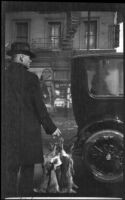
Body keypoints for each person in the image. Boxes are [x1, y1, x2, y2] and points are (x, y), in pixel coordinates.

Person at [2, 42, 61, 198]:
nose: (31, 61)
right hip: (28, 133)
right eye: (29, 57)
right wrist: (52, 128)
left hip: (7, 132)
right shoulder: (31, 78)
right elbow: (39, 108)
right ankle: (24, 195)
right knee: (27, 168)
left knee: (9, 170)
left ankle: (8, 196)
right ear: (21, 57)